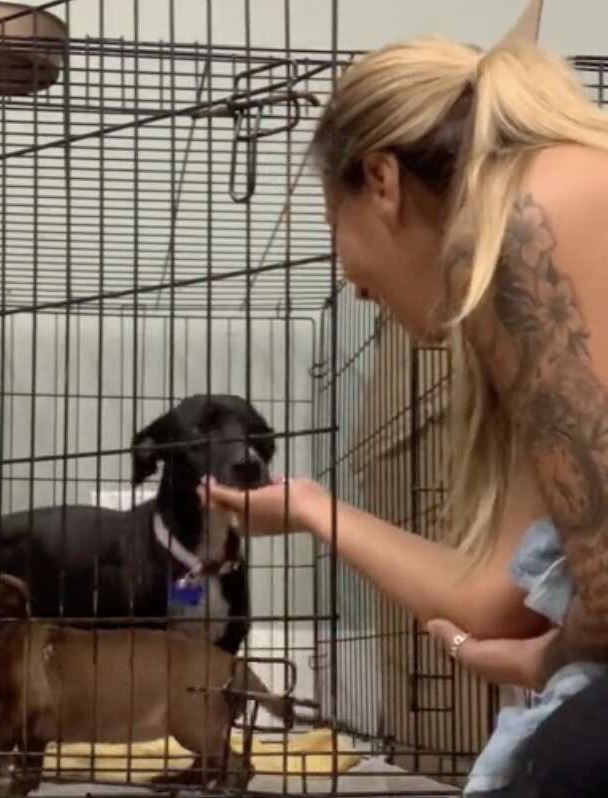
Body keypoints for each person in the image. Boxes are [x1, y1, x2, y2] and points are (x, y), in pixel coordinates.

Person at [198, 34, 608, 798]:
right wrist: (312, 508)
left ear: (381, 179)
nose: (354, 287)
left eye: (333, 226)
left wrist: (543, 665)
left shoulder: (524, 224)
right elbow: (496, 600)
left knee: (560, 758)